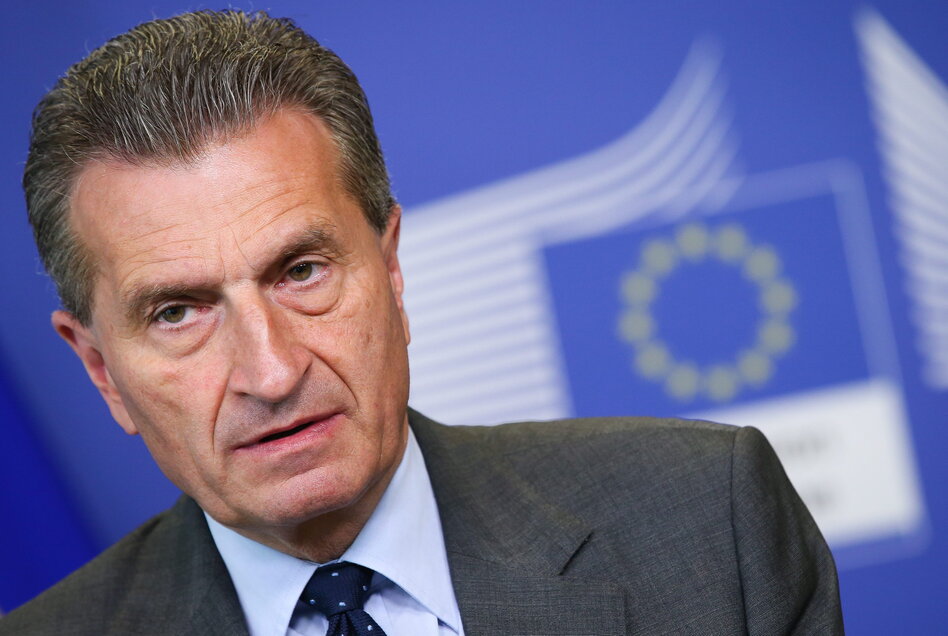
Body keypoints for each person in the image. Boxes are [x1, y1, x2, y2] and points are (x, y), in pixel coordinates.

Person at [1, 9, 843, 635]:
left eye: (301, 272)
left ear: (392, 270)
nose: (272, 372)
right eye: (178, 312)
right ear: (102, 371)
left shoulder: (708, 523)